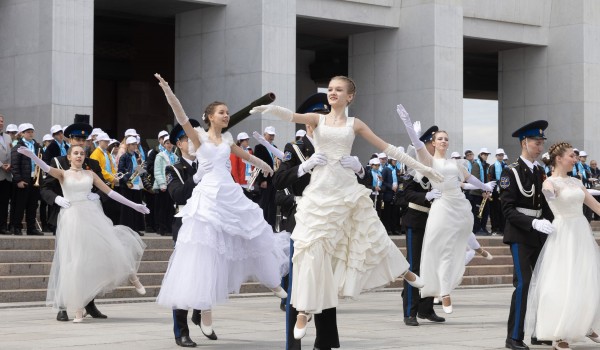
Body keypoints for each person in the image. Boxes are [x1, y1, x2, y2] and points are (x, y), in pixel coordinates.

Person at [250, 76, 442, 339]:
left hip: (345, 187)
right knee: (308, 248)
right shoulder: (316, 120)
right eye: (329, 89)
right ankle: (304, 311)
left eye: (338, 90)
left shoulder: (356, 124)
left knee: (370, 229)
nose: (332, 93)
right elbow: (290, 115)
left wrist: (424, 168)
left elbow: (390, 149)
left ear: (350, 96)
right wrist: (268, 109)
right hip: (319, 190)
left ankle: (405, 271)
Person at [154, 74, 290, 340]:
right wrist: (169, 92)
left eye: (228, 112)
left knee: (252, 227)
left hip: (229, 192)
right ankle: (202, 314)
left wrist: (264, 166)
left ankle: (272, 278)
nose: (226, 115)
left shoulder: (227, 140)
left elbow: (245, 155)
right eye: (221, 112)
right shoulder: (198, 138)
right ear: (209, 116)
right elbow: (181, 115)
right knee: (205, 255)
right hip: (208, 196)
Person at [16, 144, 149, 323]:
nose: (79, 156)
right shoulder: (63, 173)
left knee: (111, 244)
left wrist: (135, 206)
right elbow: (46, 168)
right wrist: (32, 156)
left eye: (82, 153)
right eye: (75, 153)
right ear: (69, 157)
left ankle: (133, 275)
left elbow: (110, 193)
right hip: (72, 217)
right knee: (76, 260)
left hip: (92, 214)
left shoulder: (90, 174)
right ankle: (78, 310)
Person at [396, 106, 495, 314]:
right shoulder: (424, 163)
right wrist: (407, 124)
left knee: (443, 254)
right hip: (427, 213)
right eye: (438, 139)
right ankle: (415, 308)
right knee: (422, 260)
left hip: (448, 209)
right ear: (431, 143)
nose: (442, 142)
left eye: (445, 139)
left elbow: (466, 180)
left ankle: (434, 301)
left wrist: (484, 186)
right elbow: (406, 190)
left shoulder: (452, 163)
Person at [525, 142, 600, 350]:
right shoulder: (549, 182)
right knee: (562, 279)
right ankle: (559, 334)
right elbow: (549, 194)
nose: (575, 159)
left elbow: (595, 206)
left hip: (581, 232)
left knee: (584, 277)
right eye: (571, 156)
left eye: (575, 157)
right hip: (563, 232)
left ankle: (584, 324)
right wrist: (549, 190)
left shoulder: (576, 181)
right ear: (559, 158)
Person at [40, 122, 111, 321]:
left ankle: (89, 302)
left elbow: (103, 187)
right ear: (70, 140)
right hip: (66, 216)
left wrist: (98, 196)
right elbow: (45, 187)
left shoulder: (92, 164)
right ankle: (62, 305)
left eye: (84, 140)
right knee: (67, 261)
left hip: (88, 217)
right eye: (77, 140)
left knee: (89, 262)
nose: (81, 144)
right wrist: (56, 199)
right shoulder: (59, 160)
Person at [499, 120, 554, 350]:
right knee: (523, 284)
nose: (540, 148)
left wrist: (553, 223)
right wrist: (533, 223)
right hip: (521, 234)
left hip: (540, 233)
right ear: (524, 142)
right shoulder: (510, 172)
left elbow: (546, 204)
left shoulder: (540, 171)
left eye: (541, 143)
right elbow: (508, 210)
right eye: (536, 143)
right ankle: (513, 337)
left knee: (543, 284)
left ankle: (539, 332)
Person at [166, 119, 211, 347]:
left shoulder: (208, 163)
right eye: (187, 138)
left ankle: (201, 311)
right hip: (185, 225)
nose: (192, 142)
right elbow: (178, 196)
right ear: (179, 144)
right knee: (182, 278)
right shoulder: (173, 168)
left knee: (206, 272)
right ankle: (181, 331)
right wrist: (196, 176)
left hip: (207, 225)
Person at [401, 124, 446, 327]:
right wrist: (425, 196)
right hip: (416, 220)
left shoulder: (437, 165)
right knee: (415, 266)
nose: (433, 146)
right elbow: (404, 194)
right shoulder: (413, 166)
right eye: (431, 143)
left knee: (432, 266)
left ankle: (426, 309)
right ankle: (409, 311)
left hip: (433, 222)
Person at [10, 123, 43, 236]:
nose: (30, 133)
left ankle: (31, 228)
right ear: (22, 134)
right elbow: (14, 165)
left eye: (31, 131)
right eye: (27, 132)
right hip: (24, 179)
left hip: (35, 179)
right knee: (20, 204)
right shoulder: (18, 147)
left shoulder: (38, 146)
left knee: (33, 205)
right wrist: (18, 180)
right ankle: (17, 227)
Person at [90, 132, 120, 224]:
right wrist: (111, 178)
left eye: (108, 141)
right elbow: (99, 170)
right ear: (99, 141)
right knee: (104, 208)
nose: (107, 143)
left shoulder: (106, 153)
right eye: (105, 141)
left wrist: (115, 176)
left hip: (109, 183)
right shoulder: (95, 154)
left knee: (111, 209)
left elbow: (112, 167)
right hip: (101, 184)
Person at [118, 136, 146, 235]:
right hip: (128, 184)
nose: (135, 146)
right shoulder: (124, 156)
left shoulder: (136, 155)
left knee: (137, 206)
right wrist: (127, 181)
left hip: (136, 183)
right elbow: (120, 172)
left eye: (136, 144)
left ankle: (136, 228)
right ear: (128, 145)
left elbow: (139, 168)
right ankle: (127, 229)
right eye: (133, 144)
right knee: (128, 207)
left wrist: (141, 169)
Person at [153, 133, 179, 236]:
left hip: (172, 186)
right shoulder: (160, 156)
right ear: (164, 144)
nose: (169, 145)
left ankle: (169, 227)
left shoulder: (175, 156)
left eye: (171, 143)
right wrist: (162, 184)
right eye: (167, 143)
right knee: (162, 208)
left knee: (170, 208)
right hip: (162, 186)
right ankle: (162, 228)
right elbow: (157, 171)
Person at [253, 126, 279, 228]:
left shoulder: (275, 148)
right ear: (264, 135)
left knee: (273, 202)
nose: (271, 137)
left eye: (273, 135)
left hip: (274, 179)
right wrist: (262, 180)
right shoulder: (259, 147)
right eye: (269, 135)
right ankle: (261, 225)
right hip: (265, 179)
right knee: (263, 202)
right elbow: (257, 164)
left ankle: (271, 225)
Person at [470, 147, 492, 235]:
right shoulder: (476, 164)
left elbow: (488, 179)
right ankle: (477, 229)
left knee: (485, 212)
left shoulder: (487, 165)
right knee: (477, 212)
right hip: (477, 193)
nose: (486, 156)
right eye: (484, 154)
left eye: (487, 154)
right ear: (480, 155)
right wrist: (482, 191)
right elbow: (476, 179)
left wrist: (488, 190)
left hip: (485, 193)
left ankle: (483, 228)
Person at [489, 148, 507, 235]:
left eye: (502, 155)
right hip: (495, 191)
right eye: (499, 155)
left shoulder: (506, 166)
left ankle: (502, 228)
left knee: (502, 210)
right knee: (494, 210)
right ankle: (494, 228)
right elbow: (490, 178)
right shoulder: (492, 166)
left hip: (504, 191)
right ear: (496, 156)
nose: (500, 157)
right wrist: (499, 182)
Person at [0, 114, 13, 235]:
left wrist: (10, 164)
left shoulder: (8, 137)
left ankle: (3, 226)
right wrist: (1, 165)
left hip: (7, 175)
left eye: (2, 121)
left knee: (4, 202)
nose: (1, 123)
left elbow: (11, 152)